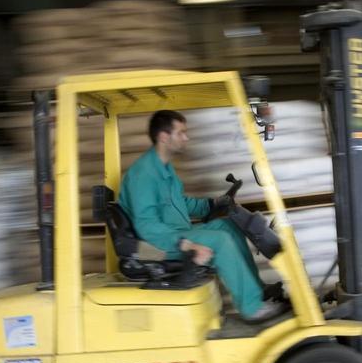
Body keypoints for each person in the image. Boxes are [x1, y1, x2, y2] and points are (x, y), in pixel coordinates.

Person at [118, 110, 287, 323]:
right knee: (220, 240)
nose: (186, 138)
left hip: (176, 233)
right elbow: (147, 226)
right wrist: (186, 244)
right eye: (181, 133)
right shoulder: (143, 175)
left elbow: (180, 203)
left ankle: (257, 289)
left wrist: (211, 204)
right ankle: (251, 308)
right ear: (164, 137)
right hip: (158, 244)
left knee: (227, 228)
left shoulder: (163, 169)